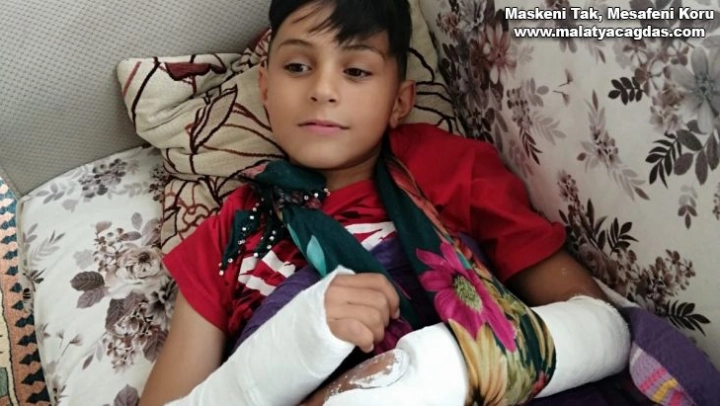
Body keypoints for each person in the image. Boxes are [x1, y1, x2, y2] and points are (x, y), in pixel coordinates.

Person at [139, 0, 630, 405]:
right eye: (297, 67)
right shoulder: (229, 233)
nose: (323, 90)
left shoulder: (449, 168)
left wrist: (429, 371)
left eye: (356, 70)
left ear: (400, 102)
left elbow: (590, 317)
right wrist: (300, 339)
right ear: (265, 89)